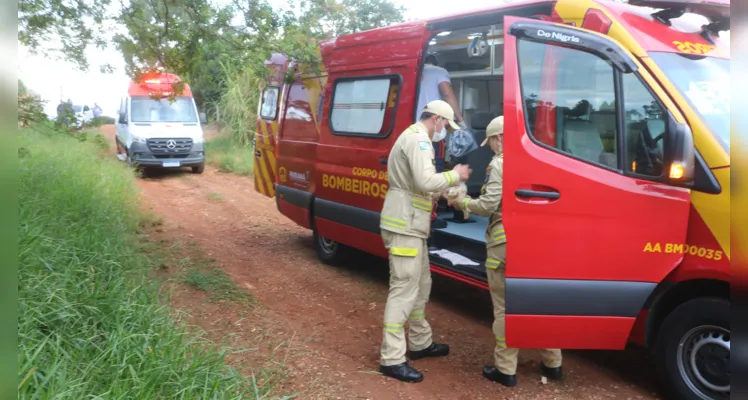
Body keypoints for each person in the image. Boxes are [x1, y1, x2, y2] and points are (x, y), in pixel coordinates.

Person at [449, 116, 563, 387]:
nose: (491, 147)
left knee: (504, 309)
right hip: (538, 244)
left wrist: (462, 201)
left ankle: (505, 370)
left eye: (491, 142)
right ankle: (553, 363)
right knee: (540, 305)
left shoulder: (499, 164)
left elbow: (489, 205)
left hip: (505, 244)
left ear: (500, 138)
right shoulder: (539, 158)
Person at [378, 100, 472, 383]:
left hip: (412, 224)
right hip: (405, 224)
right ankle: (392, 359)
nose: (445, 132)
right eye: (446, 125)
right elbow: (424, 181)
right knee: (404, 289)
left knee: (421, 285)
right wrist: (457, 175)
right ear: (437, 120)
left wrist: (448, 193)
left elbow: (421, 186)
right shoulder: (419, 140)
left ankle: (419, 343)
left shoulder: (413, 137)